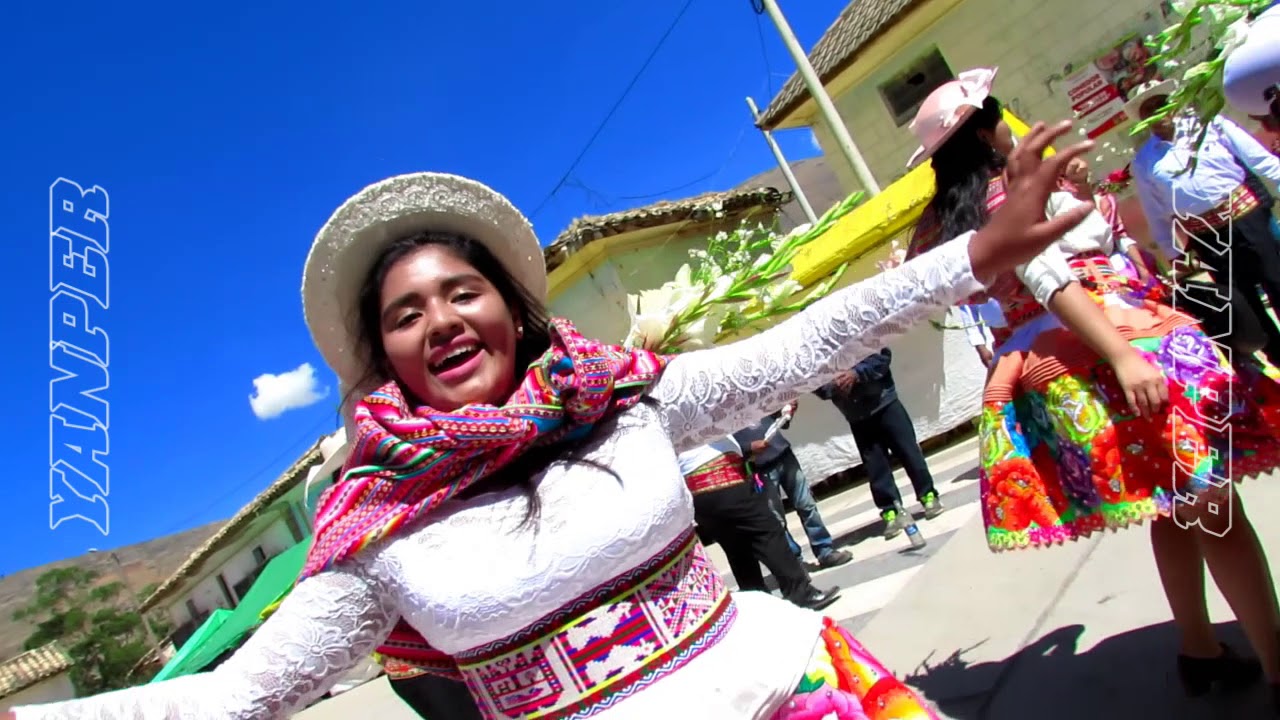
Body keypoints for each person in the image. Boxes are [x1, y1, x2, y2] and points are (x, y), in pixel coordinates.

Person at [8, 123, 1099, 719]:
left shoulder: (625, 403)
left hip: (791, 697)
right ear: (379, 357)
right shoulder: (374, 530)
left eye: (461, 291)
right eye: (404, 314)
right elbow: (238, 693)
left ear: (510, 305)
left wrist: (975, 256)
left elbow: (801, 343)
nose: (440, 320)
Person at [906, 66, 1280, 709]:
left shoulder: (957, 213)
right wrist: (1122, 356)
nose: (1009, 117)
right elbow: (1050, 276)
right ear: (983, 128)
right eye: (997, 109)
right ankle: (1278, 670)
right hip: (1102, 341)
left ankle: (1201, 651)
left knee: (1178, 504)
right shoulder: (1003, 199)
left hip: (1073, 348)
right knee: (1215, 511)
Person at [1129, 78, 1280, 366]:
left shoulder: (1211, 125)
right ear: (1143, 118)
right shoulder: (1145, 161)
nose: (1159, 112)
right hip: (1208, 238)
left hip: (1248, 218)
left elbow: (1259, 159)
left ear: (1173, 102)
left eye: (1162, 103)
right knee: (1244, 305)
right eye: (1149, 109)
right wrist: (1172, 252)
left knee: (1277, 281)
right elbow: (1156, 212)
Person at [679, 435, 840, 609]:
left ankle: (758, 605)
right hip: (723, 479)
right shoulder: (694, 417)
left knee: (738, 550)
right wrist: (747, 446)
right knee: (768, 532)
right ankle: (801, 593)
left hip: (697, 493)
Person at [815, 349, 944, 540]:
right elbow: (816, 386)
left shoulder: (859, 331)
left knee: (909, 453)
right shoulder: (815, 352)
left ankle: (928, 496)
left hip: (885, 402)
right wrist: (834, 385)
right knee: (876, 467)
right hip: (857, 415)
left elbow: (883, 357)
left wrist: (857, 373)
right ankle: (891, 511)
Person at [733, 405, 854, 569]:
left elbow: (781, 420)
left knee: (807, 504)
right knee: (777, 519)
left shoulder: (755, 392)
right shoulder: (719, 412)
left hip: (783, 453)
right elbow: (722, 446)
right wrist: (748, 448)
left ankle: (825, 550)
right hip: (758, 467)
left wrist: (787, 408)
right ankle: (795, 562)